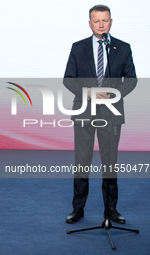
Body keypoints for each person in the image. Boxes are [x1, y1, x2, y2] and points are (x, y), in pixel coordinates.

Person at [63, 5, 137, 224]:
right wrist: (89, 93)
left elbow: (131, 79)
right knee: (82, 162)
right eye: (97, 21)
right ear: (90, 23)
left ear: (111, 22)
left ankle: (111, 209)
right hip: (85, 111)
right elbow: (68, 79)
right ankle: (78, 208)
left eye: (105, 21)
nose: (101, 25)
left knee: (110, 162)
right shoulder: (78, 48)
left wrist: (114, 94)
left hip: (111, 114)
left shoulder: (122, 48)